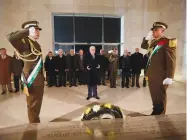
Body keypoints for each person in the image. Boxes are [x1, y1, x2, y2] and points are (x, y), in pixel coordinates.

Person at [7, 21, 44, 123]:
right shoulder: (24, 43)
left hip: (39, 79)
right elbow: (11, 38)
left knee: (37, 103)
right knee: (32, 104)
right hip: (32, 79)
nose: (38, 32)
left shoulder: (35, 43)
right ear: (29, 30)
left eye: (38, 30)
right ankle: (33, 127)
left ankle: (36, 121)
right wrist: (26, 31)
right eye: (35, 29)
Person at [141, 22, 176, 115]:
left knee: (160, 96)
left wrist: (170, 76)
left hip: (161, 75)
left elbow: (171, 60)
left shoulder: (167, 41)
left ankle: (161, 115)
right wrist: (146, 38)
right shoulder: (153, 42)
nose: (153, 32)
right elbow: (143, 46)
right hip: (152, 75)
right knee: (154, 95)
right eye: (153, 30)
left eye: (156, 30)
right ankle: (155, 111)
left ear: (162, 31)